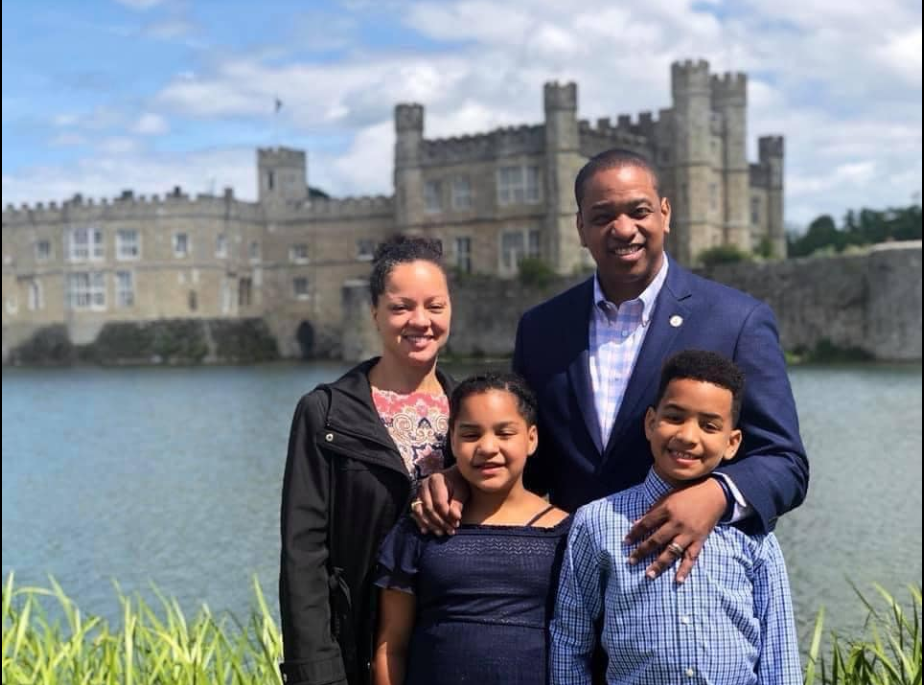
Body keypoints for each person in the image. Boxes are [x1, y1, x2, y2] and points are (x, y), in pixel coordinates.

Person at [417, 148, 808, 584]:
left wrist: (715, 495)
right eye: (603, 216)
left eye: (638, 211)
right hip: (571, 584)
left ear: (665, 213)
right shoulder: (541, 328)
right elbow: (533, 459)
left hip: (686, 583)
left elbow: (784, 461)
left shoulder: (736, 321)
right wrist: (461, 478)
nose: (623, 229)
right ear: (580, 228)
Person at [550, 349, 802, 684]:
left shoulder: (753, 530)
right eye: (674, 417)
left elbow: (779, 653)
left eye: (709, 426)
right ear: (650, 423)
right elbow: (570, 641)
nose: (687, 436)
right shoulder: (597, 522)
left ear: (732, 442)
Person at [279, 235, 456, 685]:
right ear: (374, 312)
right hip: (358, 649)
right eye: (401, 307)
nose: (421, 321)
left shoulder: (476, 416)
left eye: (435, 306)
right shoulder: (324, 413)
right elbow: (303, 557)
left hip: (454, 651)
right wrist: (316, 673)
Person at [373, 372, 570, 685]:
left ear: (531, 438)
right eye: (470, 434)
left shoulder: (568, 534)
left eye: (505, 433)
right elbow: (391, 647)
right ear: (452, 439)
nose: (488, 447)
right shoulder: (423, 526)